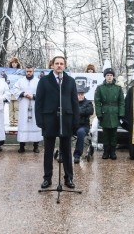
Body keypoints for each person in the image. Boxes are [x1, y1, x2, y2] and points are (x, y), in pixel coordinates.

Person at [35, 56, 79, 189]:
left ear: (65, 66)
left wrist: (75, 121)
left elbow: (75, 102)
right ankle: (47, 178)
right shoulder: (44, 81)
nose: (59, 66)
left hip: (66, 120)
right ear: (52, 65)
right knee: (48, 151)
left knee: (66, 150)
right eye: (57, 63)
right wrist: (40, 120)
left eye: (61, 64)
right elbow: (39, 102)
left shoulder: (70, 81)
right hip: (49, 120)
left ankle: (68, 178)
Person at [95, 68, 125, 160]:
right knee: (105, 134)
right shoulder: (100, 88)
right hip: (105, 112)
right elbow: (97, 102)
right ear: (105, 76)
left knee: (113, 134)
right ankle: (105, 151)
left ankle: (112, 152)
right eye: (107, 75)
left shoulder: (118, 88)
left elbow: (121, 102)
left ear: (113, 76)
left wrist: (121, 113)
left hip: (115, 113)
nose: (109, 77)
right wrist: (99, 114)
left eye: (111, 75)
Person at [11, 65, 42, 153]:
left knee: (35, 124)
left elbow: (42, 92)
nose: (28, 73)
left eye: (30, 71)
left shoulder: (38, 81)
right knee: (23, 124)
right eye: (27, 71)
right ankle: (22, 146)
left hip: (34, 105)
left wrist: (33, 96)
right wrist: (23, 94)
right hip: (24, 105)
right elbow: (14, 89)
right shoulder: (20, 81)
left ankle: (36, 146)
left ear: (33, 71)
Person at [73, 85, 94, 164]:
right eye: (78, 94)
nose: (80, 96)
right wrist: (82, 111)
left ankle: (77, 155)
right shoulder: (72, 102)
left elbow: (90, 111)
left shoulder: (88, 102)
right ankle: (62, 153)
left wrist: (77, 111)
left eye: (81, 94)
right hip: (73, 125)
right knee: (64, 130)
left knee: (80, 132)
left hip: (83, 126)